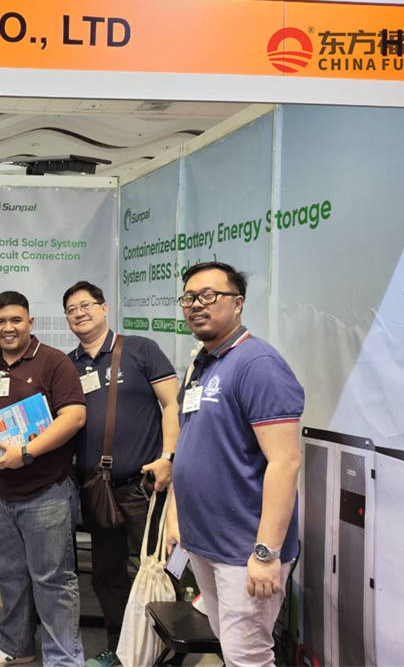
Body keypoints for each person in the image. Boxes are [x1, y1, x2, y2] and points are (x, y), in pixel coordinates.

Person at [167, 262, 304, 667]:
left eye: (209, 295)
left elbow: (285, 463)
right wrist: (176, 515)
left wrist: (265, 553)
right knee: (230, 648)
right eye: (189, 298)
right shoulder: (204, 362)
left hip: (243, 547)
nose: (197, 305)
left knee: (248, 656)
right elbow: (189, 444)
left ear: (238, 303)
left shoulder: (258, 364)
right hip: (205, 541)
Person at [0, 291, 87, 667]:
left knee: (52, 579)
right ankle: (16, 645)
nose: (8, 328)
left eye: (16, 320)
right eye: (0, 321)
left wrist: (26, 452)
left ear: (30, 322)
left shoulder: (54, 362)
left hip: (45, 493)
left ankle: (64, 658)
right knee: (10, 575)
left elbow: (74, 416)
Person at [63, 280, 180, 667]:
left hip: (142, 486)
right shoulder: (68, 364)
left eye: (85, 305)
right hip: (95, 488)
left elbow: (172, 405)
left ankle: (164, 651)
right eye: (71, 309)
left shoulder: (140, 349)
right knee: (107, 575)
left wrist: (168, 457)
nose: (79, 313)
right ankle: (120, 649)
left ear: (104, 308)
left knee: (159, 570)